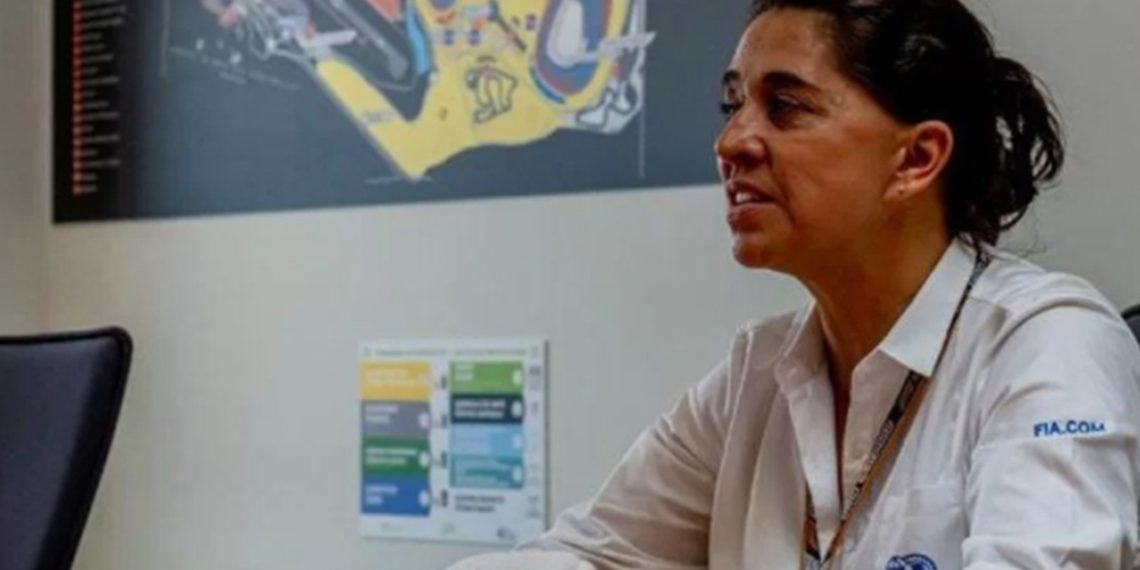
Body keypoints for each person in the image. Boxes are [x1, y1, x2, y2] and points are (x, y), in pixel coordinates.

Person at [452, 0, 1140, 568]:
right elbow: (590, 556)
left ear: (916, 158)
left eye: (785, 106)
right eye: (732, 106)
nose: (731, 143)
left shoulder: (1048, 343)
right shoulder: (755, 377)